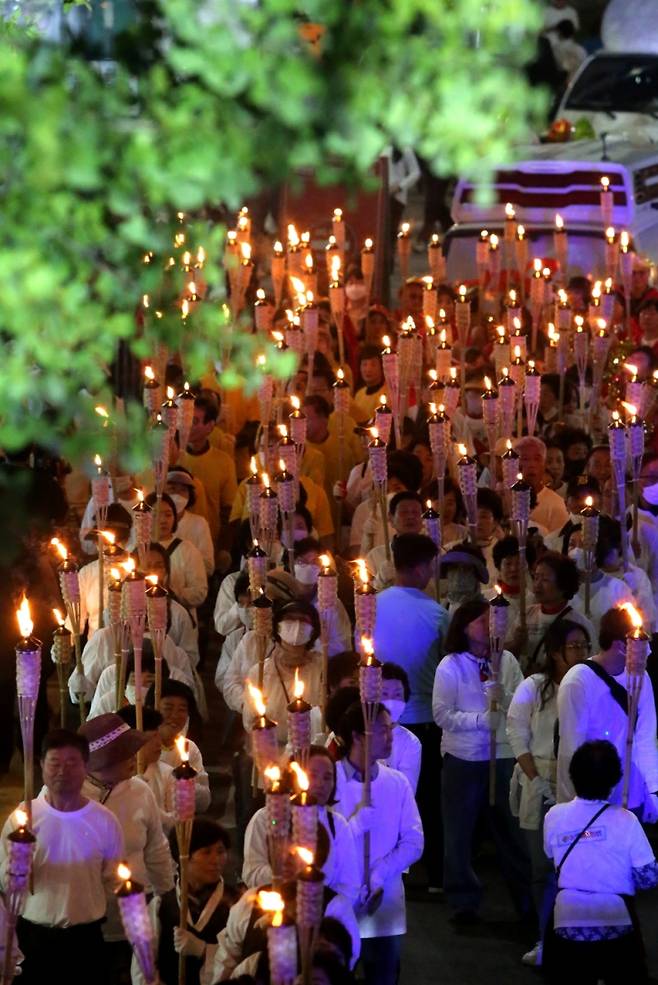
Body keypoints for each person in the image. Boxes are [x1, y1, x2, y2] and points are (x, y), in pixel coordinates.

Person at [432, 599, 530, 924]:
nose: (488, 625)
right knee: (458, 834)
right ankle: (463, 900)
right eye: (481, 619)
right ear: (464, 625)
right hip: (464, 757)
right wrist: (479, 720)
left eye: (493, 619)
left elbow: (523, 703)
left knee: (512, 832)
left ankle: (527, 900)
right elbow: (442, 714)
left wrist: (505, 703)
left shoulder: (508, 661)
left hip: (501, 755)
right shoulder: (452, 665)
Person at [0, 729, 124, 985]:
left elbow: (114, 878)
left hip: (86, 938)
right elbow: (4, 882)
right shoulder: (24, 818)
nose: (62, 771)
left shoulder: (104, 820)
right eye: (55, 763)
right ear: (42, 765)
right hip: (34, 937)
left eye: (71, 763)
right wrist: (17, 868)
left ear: (85, 767)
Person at [507, 619, 591, 968]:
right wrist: (535, 779)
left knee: (575, 868)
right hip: (540, 776)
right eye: (574, 646)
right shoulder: (534, 686)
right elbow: (517, 732)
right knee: (542, 868)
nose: (581, 653)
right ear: (556, 651)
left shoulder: (589, 685)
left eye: (585, 646)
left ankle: (576, 939)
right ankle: (545, 937)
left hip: (575, 782)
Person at [543, 740, 658, 985]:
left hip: (565, 921)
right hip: (615, 922)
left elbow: (551, 857)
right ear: (614, 778)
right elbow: (648, 878)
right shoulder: (626, 821)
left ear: (572, 774)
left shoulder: (554, 816)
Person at [333, 701, 423, 985]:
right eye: (381, 730)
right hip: (337, 903)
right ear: (358, 736)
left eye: (391, 729)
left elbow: (414, 841)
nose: (390, 736)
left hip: (385, 906)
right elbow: (320, 841)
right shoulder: (328, 779)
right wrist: (356, 826)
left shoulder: (397, 783)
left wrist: (379, 873)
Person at [78, 713, 175, 972]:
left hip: (136, 911)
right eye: (123, 754)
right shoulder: (68, 798)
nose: (134, 758)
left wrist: (168, 896)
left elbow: (156, 847)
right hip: (87, 919)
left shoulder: (140, 791)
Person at [557, 607, 658, 821]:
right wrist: (574, 809)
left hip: (633, 797)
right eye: (642, 643)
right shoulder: (578, 682)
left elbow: (645, 737)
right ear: (621, 646)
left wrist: (653, 792)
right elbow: (571, 750)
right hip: (594, 802)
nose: (648, 649)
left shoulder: (642, 678)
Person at [242, 746, 359, 903]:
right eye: (312, 775)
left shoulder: (337, 825)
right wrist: (283, 873)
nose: (320, 784)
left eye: (327, 777)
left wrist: (328, 910)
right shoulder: (264, 819)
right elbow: (251, 874)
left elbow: (349, 884)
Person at [159, 819, 237, 985]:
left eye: (221, 851)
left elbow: (241, 959)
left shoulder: (236, 903)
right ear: (184, 857)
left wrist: (204, 950)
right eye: (206, 852)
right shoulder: (162, 905)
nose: (216, 860)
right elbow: (144, 968)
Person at [178, 393, 238, 561]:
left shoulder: (224, 462)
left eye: (195, 421)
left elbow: (229, 511)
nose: (187, 426)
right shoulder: (174, 457)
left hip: (208, 543)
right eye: (185, 419)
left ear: (210, 426)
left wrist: (224, 549)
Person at [513, 551, 594, 672]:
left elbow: (588, 664)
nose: (537, 585)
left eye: (545, 580)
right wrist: (516, 643)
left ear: (563, 585)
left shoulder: (578, 623)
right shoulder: (526, 615)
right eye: (536, 577)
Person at [145, 491, 208, 609]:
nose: (163, 520)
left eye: (168, 515)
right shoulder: (137, 549)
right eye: (156, 515)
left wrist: (170, 592)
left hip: (178, 619)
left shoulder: (187, 550)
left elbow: (200, 592)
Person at [365, 491, 424, 591]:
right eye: (404, 512)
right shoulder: (375, 556)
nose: (410, 517)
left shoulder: (435, 555)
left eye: (415, 512)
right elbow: (366, 599)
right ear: (391, 518)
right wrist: (380, 582)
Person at [380, 662, 422, 794]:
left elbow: (407, 792)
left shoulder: (410, 743)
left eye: (397, 695)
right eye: (384, 694)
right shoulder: (355, 732)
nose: (391, 701)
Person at [165, 466, 214, 576]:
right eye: (172, 489)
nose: (178, 495)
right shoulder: (150, 523)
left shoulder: (199, 524)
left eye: (183, 490)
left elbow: (208, 566)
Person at [517, 436, 569, 534]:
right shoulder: (505, 498)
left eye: (537, 459)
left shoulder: (556, 504)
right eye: (525, 459)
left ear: (544, 464)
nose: (531, 464)